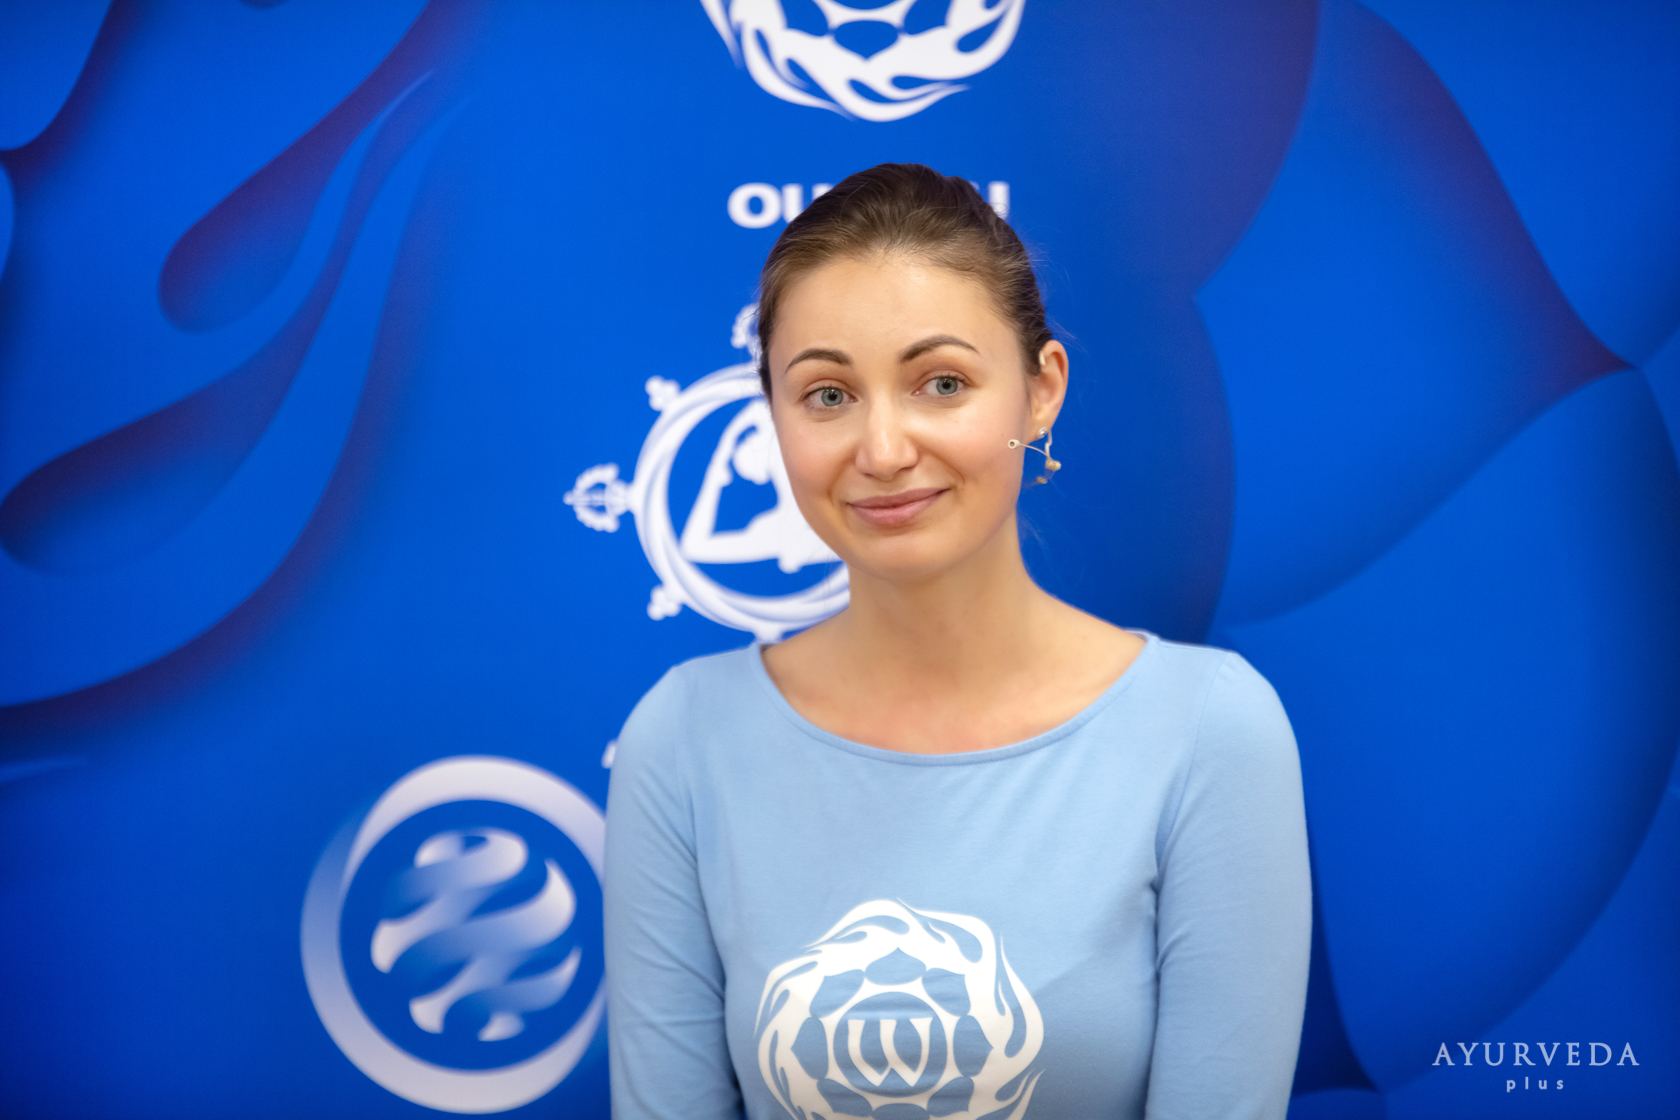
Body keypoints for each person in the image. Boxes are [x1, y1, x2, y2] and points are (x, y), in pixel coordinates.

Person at [603, 163, 1311, 1120]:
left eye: (941, 383)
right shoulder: (685, 739)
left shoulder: (1208, 731)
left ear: (1040, 392)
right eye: (827, 395)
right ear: (773, 414)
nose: (884, 450)